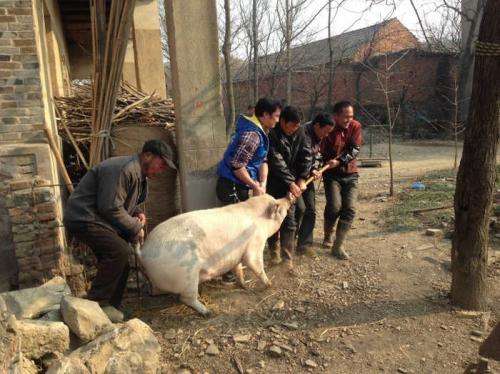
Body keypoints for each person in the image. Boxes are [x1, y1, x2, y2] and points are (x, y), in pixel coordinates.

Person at [64, 139, 176, 312]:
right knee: (119, 251)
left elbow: (121, 201)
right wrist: (135, 226)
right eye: (161, 164)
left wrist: (136, 212)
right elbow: (110, 207)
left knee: (122, 259)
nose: (162, 170)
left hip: (97, 217)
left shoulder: (139, 174)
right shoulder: (125, 169)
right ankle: (96, 305)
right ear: (147, 155)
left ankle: (111, 307)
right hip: (83, 216)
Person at [266, 106, 311, 268]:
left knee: (292, 218)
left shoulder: (300, 132)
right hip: (274, 182)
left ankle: (287, 260)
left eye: (297, 126)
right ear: (283, 121)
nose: (294, 129)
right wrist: (291, 182)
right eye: (291, 125)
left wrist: (302, 178)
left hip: (292, 183)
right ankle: (274, 251)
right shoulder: (272, 134)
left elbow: (306, 155)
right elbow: (277, 162)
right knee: (272, 216)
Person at [216, 97, 282, 204]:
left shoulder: (262, 131)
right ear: (265, 114)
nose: (278, 120)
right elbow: (237, 166)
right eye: (276, 116)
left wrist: (262, 183)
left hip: (241, 184)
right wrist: (254, 185)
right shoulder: (252, 135)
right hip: (231, 186)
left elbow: (262, 160)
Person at [321, 101, 362, 260]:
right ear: (336, 116)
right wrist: (326, 162)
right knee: (334, 206)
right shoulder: (328, 129)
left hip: (350, 173)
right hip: (331, 175)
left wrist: (340, 161)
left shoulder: (355, 126)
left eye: (351, 116)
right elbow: (321, 150)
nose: (348, 120)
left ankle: (338, 246)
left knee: (350, 208)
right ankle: (327, 234)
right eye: (345, 117)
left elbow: (355, 149)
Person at [295, 113, 335, 256]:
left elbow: (316, 156)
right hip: (294, 178)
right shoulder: (301, 133)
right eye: (325, 131)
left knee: (310, 209)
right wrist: (306, 173)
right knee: (298, 209)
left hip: (307, 178)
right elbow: (300, 158)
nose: (326, 135)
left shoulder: (319, 136)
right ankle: (287, 242)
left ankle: (304, 244)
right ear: (317, 125)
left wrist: (315, 169)